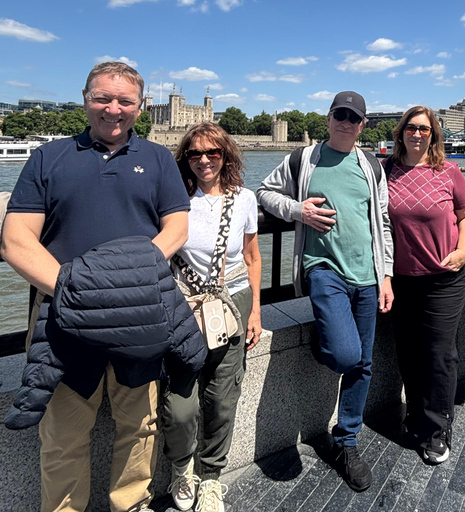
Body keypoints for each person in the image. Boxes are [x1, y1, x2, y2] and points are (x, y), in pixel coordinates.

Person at [1, 62, 190, 512]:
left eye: (125, 101)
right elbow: (15, 240)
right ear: (85, 98)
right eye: (103, 98)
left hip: (138, 315)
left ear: (141, 108)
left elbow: (177, 229)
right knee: (63, 434)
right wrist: (75, 289)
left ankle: (132, 504)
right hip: (63, 320)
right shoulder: (48, 156)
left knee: (139, 426)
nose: (113, 109)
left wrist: (127, 279)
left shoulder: (159, 158)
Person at [256, 91, 393, 492]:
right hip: (324, 269)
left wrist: (386, 275)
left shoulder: (371, 164)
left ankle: (346, 441)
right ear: (328, 118)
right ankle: (331, 341)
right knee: (347, 354)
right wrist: (300, 211)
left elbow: (382, 220)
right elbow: (264, 191)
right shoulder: (303, 159)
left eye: (354, 118)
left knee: (363, 363)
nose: (346, 123)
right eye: (340, 115)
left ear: (362, 125)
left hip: (367, 274)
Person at [161, 123, 262, 511]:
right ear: (184, 158)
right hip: (183, 304)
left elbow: (252, 257)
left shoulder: (245, 199)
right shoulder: (173, 199)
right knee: (180, 404)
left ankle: (211, 478)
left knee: (222, 399)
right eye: (195, 153)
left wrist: (255, 309)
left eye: (213, 153)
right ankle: (181, 468)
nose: (204, 160)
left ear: (226, 156)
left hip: (231, 300)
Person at [384, 107, 465, 464]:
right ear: (401, 133)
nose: (417, 134)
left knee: (439, 354)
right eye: (411, 127)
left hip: (443, 279)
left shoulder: (449, 171)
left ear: (434, 134)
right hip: (402, 279)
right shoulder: (386, 171)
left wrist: (464, 250)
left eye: (424, 128)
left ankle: (438, 428)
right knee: (408, 352)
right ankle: (416, 413)